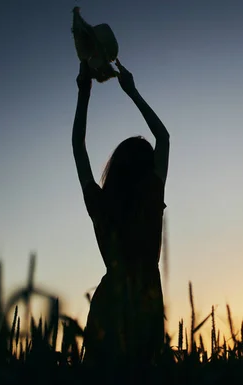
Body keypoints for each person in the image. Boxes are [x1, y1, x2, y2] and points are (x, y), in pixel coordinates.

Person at [72, 59, 170, 367]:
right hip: (147, 300)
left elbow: (78, 145)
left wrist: (84, 92)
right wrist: (132, 90)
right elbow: (164, 138)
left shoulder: (102, 203)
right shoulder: (151, 194)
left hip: (108, 302)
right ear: (146, 166)